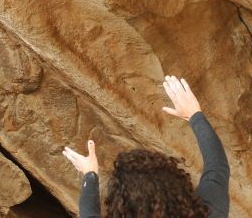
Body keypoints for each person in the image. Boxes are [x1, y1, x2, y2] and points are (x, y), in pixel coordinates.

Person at [63, 76, 229, 217]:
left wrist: (90, 175)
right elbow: (217, 166)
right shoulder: (210, 210)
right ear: (175, 182)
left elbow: (88, 213)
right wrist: (194, 115)